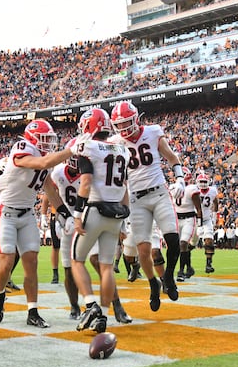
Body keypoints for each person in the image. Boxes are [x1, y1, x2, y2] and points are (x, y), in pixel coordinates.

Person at [0, 119, 86, 328]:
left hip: (26, 215)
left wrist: (65, 215)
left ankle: (32, 311)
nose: (48, 144)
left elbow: (51, 191)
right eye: (44, 140)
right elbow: (41, 164)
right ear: (33, 139)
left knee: (31, 263)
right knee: (6, 260)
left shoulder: (45, 159)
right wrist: (70, 150)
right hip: (6, 212)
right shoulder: (22, 148)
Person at [109, 100, 185, 311]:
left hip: (159, 191)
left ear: (136, 119)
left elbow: (171, 156)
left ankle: (168, 276)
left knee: (173, 238)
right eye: (120, 124)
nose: (124, 128)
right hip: (136, 199)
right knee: (143, 249)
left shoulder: (152, 132)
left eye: (127, 123)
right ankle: (153, 283)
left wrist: (179, 179)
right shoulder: (115, 142)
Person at [50, 138, 131, 324]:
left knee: (92, 261)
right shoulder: (59, 172)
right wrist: (56, 217)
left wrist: (77, 215)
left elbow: (90, 184)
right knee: (72, 268)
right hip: (72, 221)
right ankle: (75, 307)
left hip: (88, 216)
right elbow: (51, 194)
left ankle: (113, 305)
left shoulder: (93, 162)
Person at [70, 108, 130, 333]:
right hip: (116, 214)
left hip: (94, 210)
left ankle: (90, 305)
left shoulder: (89, 147)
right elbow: (124, 188)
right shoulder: (122, 149)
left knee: (77, 260)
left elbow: (85, 183)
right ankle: (104, 316)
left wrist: (77, 214)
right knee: (106, 267)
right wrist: (124, 221)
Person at [0, 157, 21, 292]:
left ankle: (6, 278)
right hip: (1, 212)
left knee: (17, 251)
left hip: (11, 212)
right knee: (4, 249)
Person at [170, 167, 202, 282]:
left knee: (183, 244)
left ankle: (181, 271)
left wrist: (200, 224)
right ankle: (189, 268)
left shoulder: (191, 188)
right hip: (176, 220)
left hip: (189, 218)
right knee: (177, 246)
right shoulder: (172, 188)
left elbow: (198, 208)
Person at [196, 171, 219, 273]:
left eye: (205, 181)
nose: (203, 183)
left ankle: (208, 264)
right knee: (190, 243)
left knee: (209, 241)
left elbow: (216, 202)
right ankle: (185, 265)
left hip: (207, 219)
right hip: (195, 219)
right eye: (201, 181)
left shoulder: (213, 190)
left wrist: (214, 215)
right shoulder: (194, 190)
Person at [40, 194, 60, 284]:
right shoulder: (55, 180)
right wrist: (43, 216)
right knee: (55, 246)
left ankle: (73, 272)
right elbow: (46, 196)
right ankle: (55, 273)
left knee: (73, 247)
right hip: (56, 215)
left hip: (71, 214)